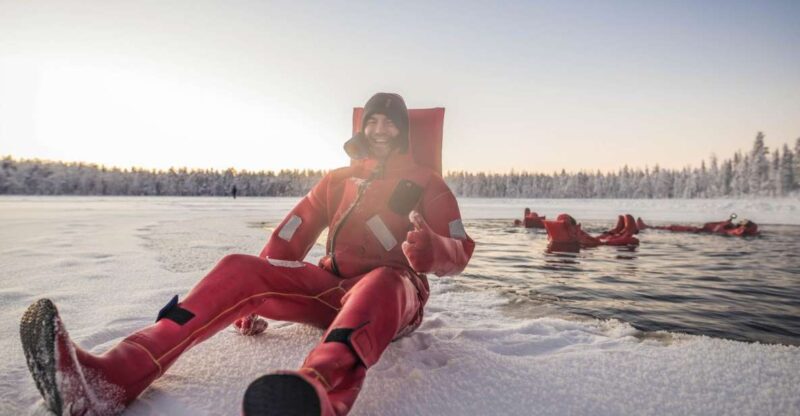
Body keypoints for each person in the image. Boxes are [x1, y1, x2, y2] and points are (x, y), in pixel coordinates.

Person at [19, 92, 475, 416]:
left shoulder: (426, 182)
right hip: (331, 286)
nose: (380, 129)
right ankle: (110, 380)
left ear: (403, 130)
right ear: (362, 127)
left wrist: (434, 250)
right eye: (373, 121)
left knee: (381, 281)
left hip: (395, 294)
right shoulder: (337, 180)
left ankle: (317, 392)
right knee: (240, 268)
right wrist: (252, 295)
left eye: (390, 121)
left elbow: (461, 249)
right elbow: (291, 234)